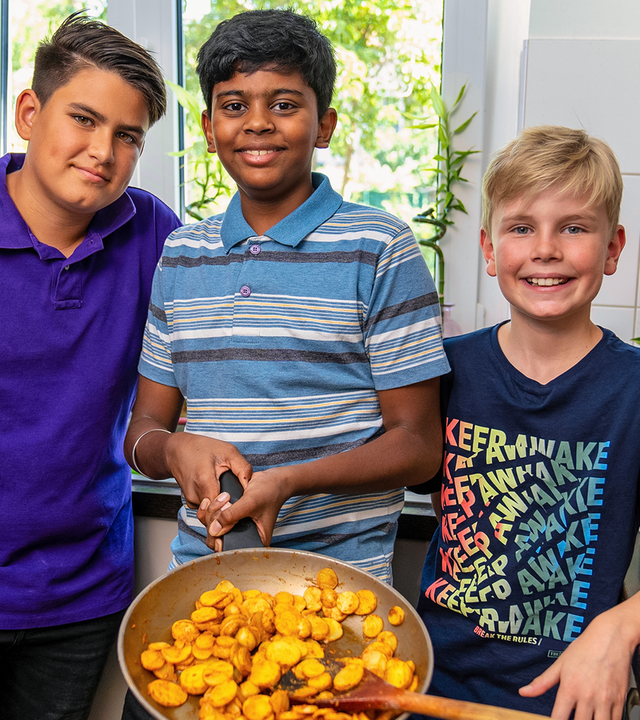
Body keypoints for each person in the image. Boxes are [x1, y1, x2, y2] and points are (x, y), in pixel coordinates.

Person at [125, 9, 447, 584]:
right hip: (204, 580)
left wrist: (290, 481)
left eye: (283, 104)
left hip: (340, 589)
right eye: (234, 106)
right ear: (208, 128)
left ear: (324, 126)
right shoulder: (181, 255)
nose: (257, 123)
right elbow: (145, 426)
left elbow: (419, 446)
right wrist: (172, 450)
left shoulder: (379, 247)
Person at [416, 125, 640, 720]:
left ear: (613, 248)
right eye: (520, 228)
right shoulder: (445, 371)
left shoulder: (634, 390)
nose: (545, 249)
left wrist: (621, 625)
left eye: (574, 227)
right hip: (428, 679)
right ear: (489, 251)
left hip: (569, 695)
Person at [0, 12, 181, 720]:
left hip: (81, 592)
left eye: (128, 136)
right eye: (84, 119)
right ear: (29, 113)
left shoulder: (153, 231)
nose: (103, 151)